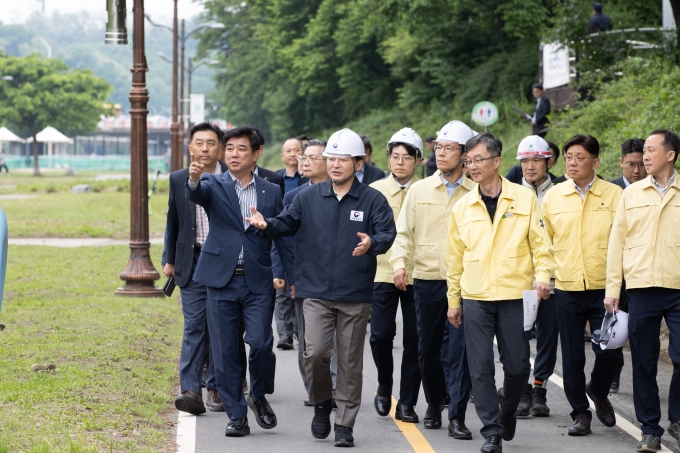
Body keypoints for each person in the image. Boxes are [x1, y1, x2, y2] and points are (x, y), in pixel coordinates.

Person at [246, 128, 396, 447]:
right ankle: (322, 402)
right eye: (331, 159)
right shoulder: (308, 196)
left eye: (343, 159)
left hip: (355, 294)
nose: (336, 164)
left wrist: (373, 243)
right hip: (314, 291)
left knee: (350, 362)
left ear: (358, 163)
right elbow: (286, 223)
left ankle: (344, 424)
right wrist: (266, 225)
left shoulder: (372, 199)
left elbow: (387, 233)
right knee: (314, 354)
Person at [446, 132, 555, 453]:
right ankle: (492, 430)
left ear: (496, 162)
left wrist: (543, 276)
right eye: (468, 161)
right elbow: (453, 259)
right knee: (479, 367)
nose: (472, 166)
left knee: (519, 365)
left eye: (479, 159)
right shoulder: (463, 207)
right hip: (476, 296)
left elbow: (541, 244)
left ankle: (508, 409)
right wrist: (454, 301)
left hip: (514, 293)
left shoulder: (523, 199)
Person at [185, 125, 295, 437]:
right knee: (224, 351)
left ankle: (258, 395)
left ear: (256, 153)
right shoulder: (212, 183)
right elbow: (195, 193)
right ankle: (236, 416)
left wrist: (285, 272)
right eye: (229, 148)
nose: (233, 154)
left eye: (241, 149)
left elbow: (281, 232)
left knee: (261, 343)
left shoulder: (271, 190)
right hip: (220, 280)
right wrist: (193, 178)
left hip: (257, 280)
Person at [390, 120, 476, 440]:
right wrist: (400, 264)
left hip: (465, 281)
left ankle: (456, 414)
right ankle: (434, 400)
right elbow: (403, 233)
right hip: (426, 278)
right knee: (427, 349)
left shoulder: (476, 192)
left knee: (459, 350)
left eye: (449, 148)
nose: (441, 153)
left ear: (465, 155)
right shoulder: (420, 189)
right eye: (438, 148)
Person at [541, 134, 623, 437]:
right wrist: (544, 277)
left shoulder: (615, 196)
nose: (572, 163)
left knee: (609, 349)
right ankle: (580, 413)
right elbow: (544, 243)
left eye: (579, 157)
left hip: (604, 291)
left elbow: (622, 243)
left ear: (596, 162)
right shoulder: (554, 197)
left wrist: (616, 286)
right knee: (573, 354)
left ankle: (598, 390)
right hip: (567, 289)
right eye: (568, 157)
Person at [605, 129, 680, 453]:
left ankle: (677, 418)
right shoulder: (631, 195)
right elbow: (616, 244)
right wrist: (612, 290)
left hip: (678, 286)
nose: (645, 156)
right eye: (644, 151)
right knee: (645, 361)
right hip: (641, 288)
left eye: (651, 150)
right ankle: (650, 429)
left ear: (670, 154)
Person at [163, 122, 227, 415]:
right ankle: (190, 389)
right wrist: (169, 258)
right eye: (199, 143)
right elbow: (172, 222)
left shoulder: (231, 179)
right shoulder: (178, 179)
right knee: (194, 326)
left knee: (221, 327)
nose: (205, 148)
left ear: (220, 148)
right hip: (192, 260)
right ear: (190, 148)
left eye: (211, 143)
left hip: (225, 262)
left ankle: (215, 385)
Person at [369, 128, 423, 423]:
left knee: (415, 340)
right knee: (379, 336)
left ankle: (407, 402)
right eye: (395, 156)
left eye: (406, 157)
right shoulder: (374, 191)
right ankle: (384, 384)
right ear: (388, 159)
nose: (400, 162)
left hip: (418, 273)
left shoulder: (426, 190)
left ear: (417, 160)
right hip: (382, 271)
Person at [280, 139, 338, 406]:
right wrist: (290, 277)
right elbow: (284, 240)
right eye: (304, 157)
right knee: (308, 339)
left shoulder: (343, 195)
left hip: (338, 278)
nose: (304, 161)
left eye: (312, 157)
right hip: (304, 278)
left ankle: (334, 387)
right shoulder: (295, 196)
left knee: (336, 337)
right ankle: (314, 390)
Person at [511, 136, 559, 418]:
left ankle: (539, 389)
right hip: (519, 280)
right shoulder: (512, 193)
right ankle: (522, 390)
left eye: (537, 160)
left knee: (548, 339)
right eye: (525, 161)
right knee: (516, 339)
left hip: (552, 280)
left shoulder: (561, 192)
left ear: (548, 161)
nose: (530, 166)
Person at [608, 137, 646, 393]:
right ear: (621, 162)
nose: (636, 171)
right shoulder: (610, 192)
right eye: (631, 164)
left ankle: (644, 381)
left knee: (641, 331)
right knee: (615, 327)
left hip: (642, 272)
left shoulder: (655, 190)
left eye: (641, 165)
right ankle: (612, 373)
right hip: (614, 273)